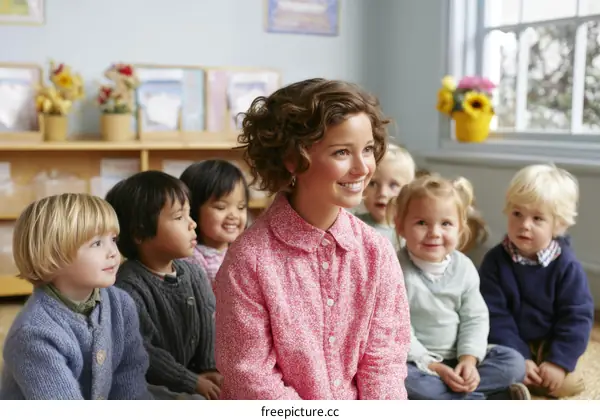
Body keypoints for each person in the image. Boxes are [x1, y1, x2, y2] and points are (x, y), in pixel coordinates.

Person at [214, 78, 411, 400]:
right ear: (292, 159)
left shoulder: (376, 251)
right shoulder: (249, 260)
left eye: (368, 150)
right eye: (342, 152)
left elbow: (385, 364)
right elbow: (250, 377)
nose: (363, 168)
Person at [0, 193, 151, 400]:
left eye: (113, 239)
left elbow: (129, 378)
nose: (114, 252)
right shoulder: (32, 334)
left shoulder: (121, 303)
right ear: (53, 253)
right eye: (97, 243)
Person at [394, 174, 530, 400]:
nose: (435, 233)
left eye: (445, 224)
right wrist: (434, 366)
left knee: (513, 362)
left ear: (460, 228)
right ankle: (485, 399)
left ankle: (457, 398)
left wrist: (469, 361)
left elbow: (474, 318)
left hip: (459, 356)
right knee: (404, 380)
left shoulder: (464, 267)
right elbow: (398, 329)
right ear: (400, 226)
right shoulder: (395, 268)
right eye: (421, 223)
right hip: (419, 363)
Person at [479, 163, 594, 398]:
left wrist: (558, 362)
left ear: (558, 225)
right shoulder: (494, 262)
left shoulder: (567, 266)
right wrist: (520, 356)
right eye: (517, 214)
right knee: (492, 366)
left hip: (549, 343)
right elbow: (494, 314)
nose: (524, 225)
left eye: (538, 218)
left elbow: (577, 317)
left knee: (569, 383)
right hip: (506, 342)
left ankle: (525, 380)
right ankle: (515, 380)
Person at [106, 171, 220, 400]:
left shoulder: (194, 273)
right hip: (147, 382)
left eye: (189, 214)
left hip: (192, 374)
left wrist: (208, 368)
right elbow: (143, 351)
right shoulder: (127, 288)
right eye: (179, 217)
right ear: (140, 233)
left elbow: (208, 322)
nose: (192, 223)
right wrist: (191, 381)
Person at [179, 160, 249, 289]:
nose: (233, 215)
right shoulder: (190, 260)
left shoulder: (244, 251)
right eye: (221, 207)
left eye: (241, 207)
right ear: (192, 210)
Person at [356, 143, 415, 249]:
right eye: (373, 184)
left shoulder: (412, 229)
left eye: (393, 185)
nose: (382, 193)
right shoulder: (353, 226)